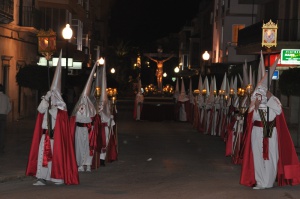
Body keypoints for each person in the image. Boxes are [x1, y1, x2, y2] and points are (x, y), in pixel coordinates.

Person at [240, 59, 300, 189]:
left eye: (263, 89)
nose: (260, 91)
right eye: (259, 89)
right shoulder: (254, 100)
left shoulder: (274, 99)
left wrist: (269, 98)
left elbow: (278, 110)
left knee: (271, 156)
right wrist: (255, 107)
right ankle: (260, 181)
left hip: (270, 130)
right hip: (257, 130)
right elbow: (250, 116)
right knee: (258, 156)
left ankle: (269, 180)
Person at [26, 50, 79, 185]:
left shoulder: (62, 107)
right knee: (42, 157)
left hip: (56, 137)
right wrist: (46, 98)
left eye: (55, 94)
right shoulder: (47, 101)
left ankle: (57, 177)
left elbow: (59, 117)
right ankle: (41, 178)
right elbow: (40, 110)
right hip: (45, 136)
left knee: (56, 157)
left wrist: (54, 107)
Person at [70, 62, 97, 172]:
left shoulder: (90, 107)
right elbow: (74, 117)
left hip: (87, 130)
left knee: (88, 146)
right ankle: (80, 164)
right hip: (79, 130)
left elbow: (93, 116)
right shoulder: (78, 106)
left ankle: (88, 164)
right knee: (79, 147)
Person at [0, 84, 11, 153]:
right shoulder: (6, 97)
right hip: (3, 116)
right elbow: (9, 107)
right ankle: (1, 147)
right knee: (2, 132)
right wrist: (6, 112)